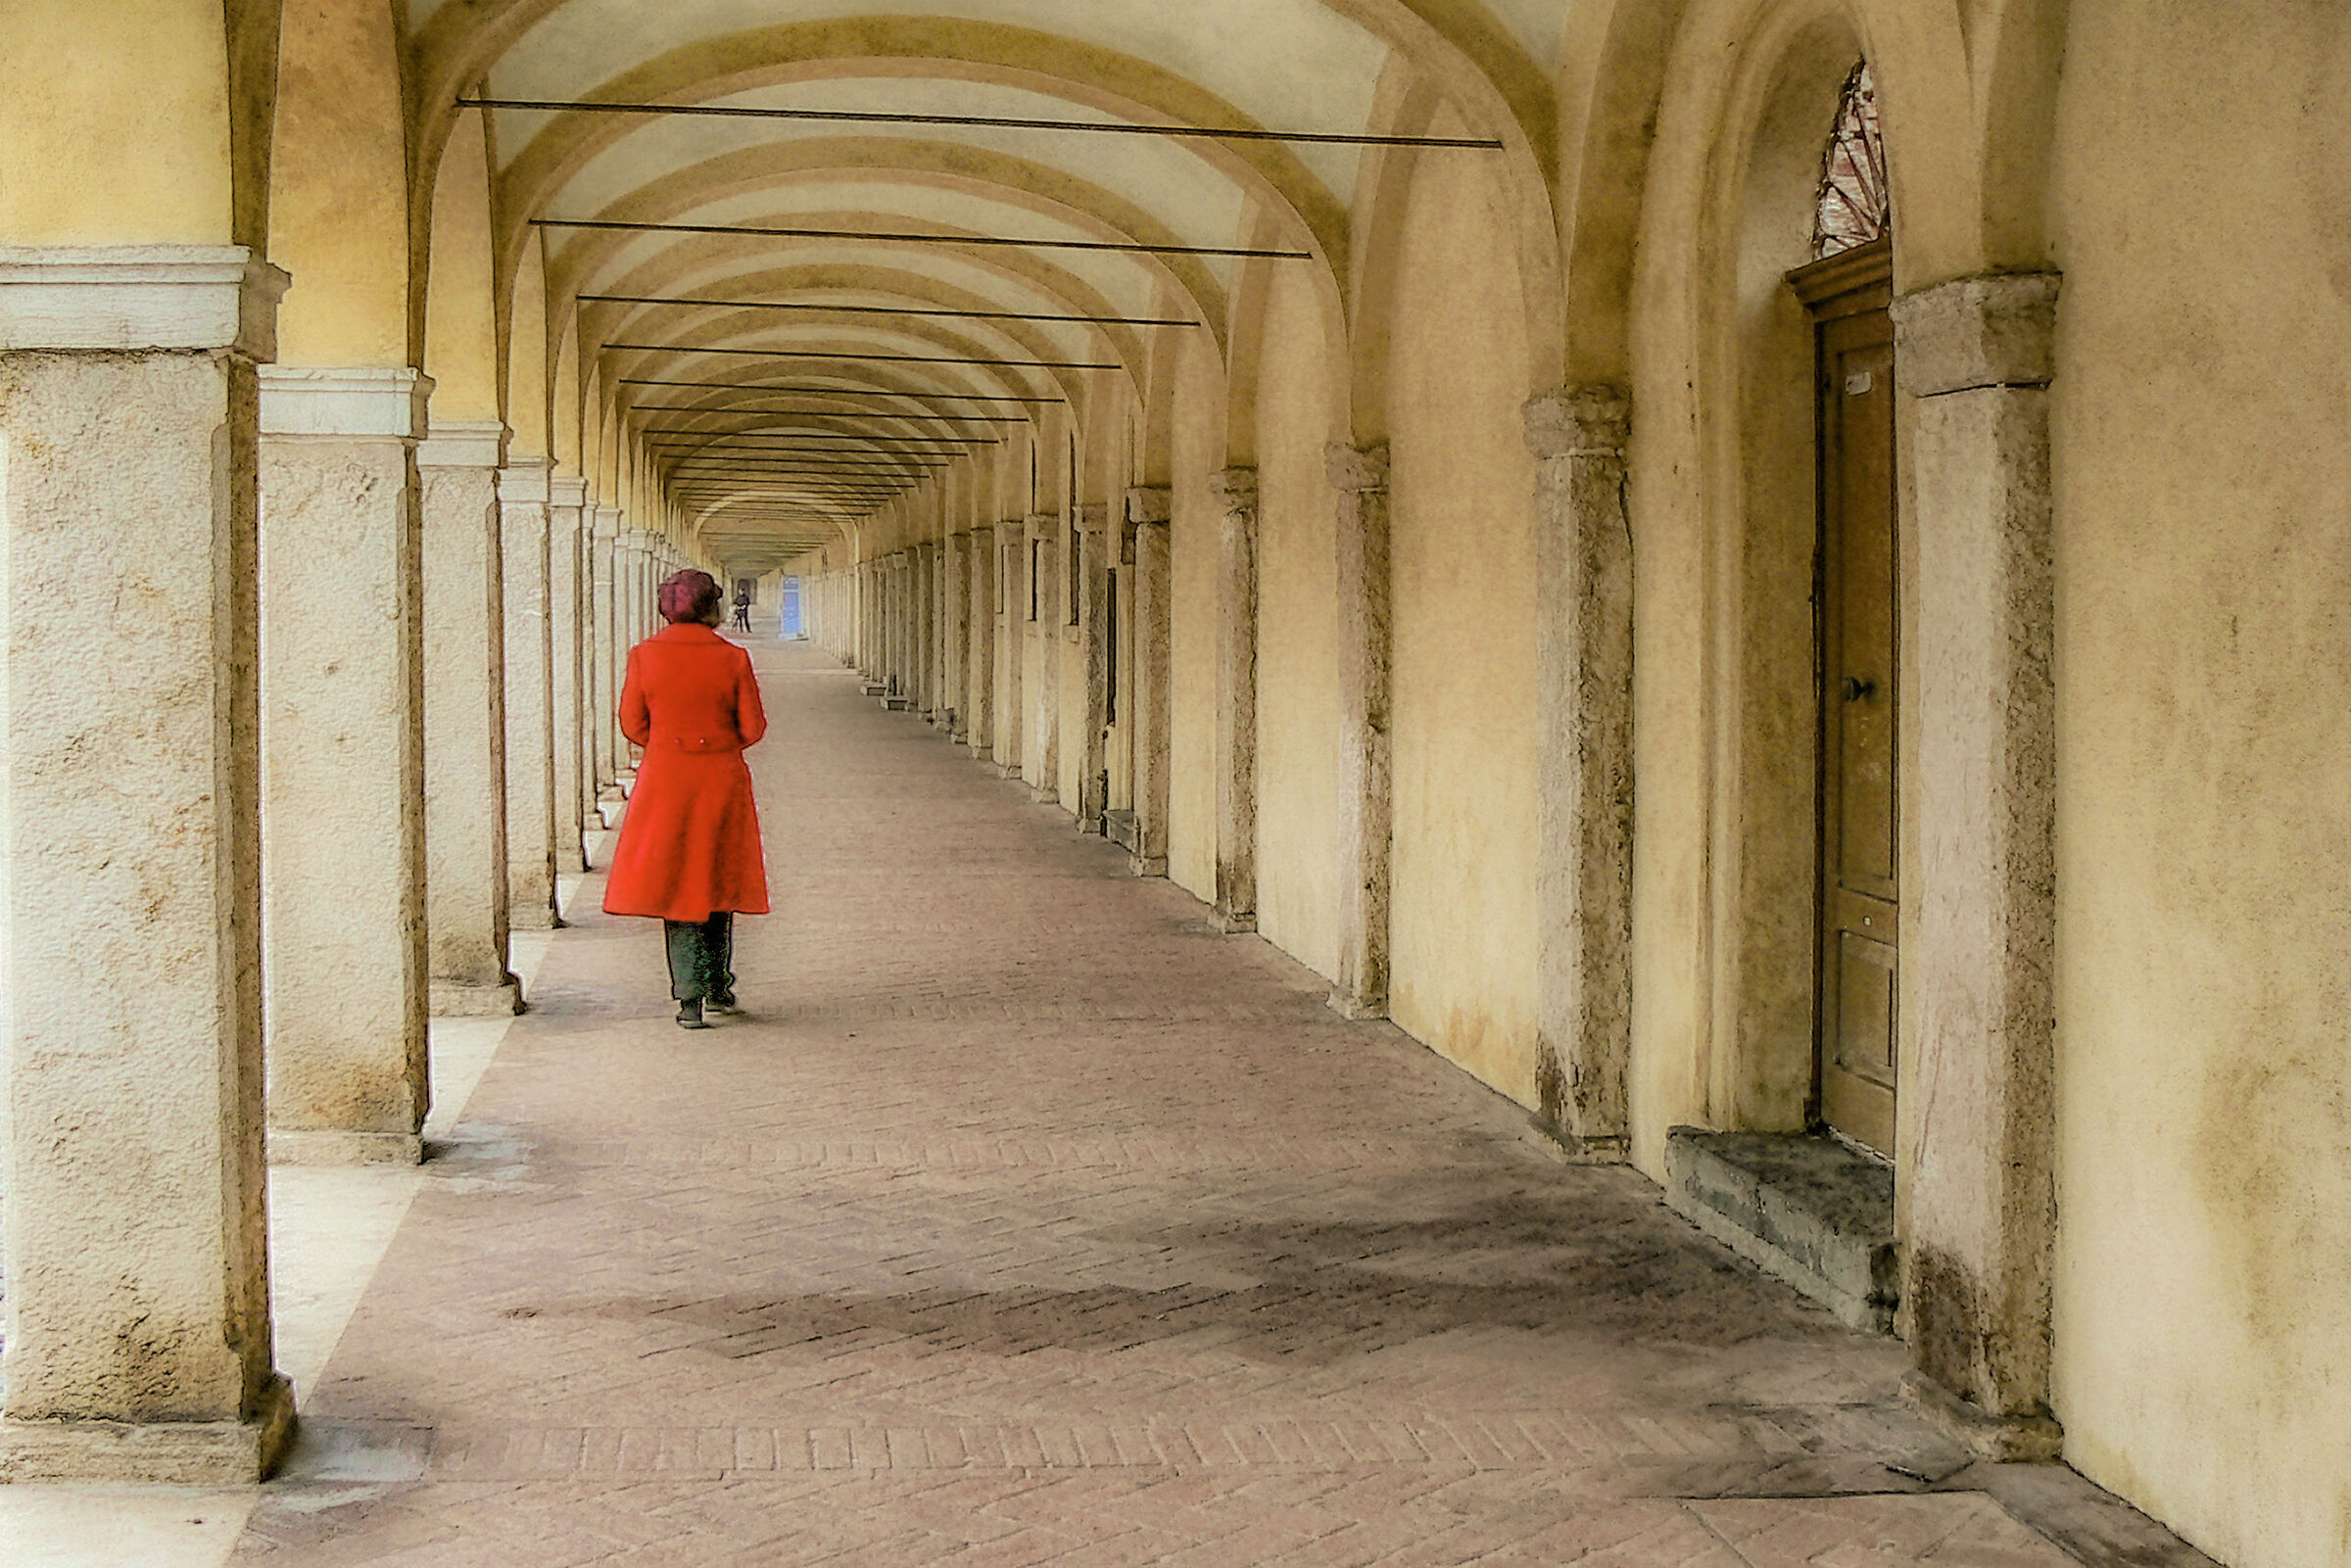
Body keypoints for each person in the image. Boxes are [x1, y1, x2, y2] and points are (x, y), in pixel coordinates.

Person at [602, 570, 770, 1028]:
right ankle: (717, 984)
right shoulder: (733, 658)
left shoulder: (644, 656)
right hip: (719, 778)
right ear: (711, 607)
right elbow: (753, 727)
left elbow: (632, 723)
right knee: (718, 879)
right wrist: (715, 743)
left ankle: (688, 998)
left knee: (677, 882)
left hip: (667, 781)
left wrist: (668, 744)